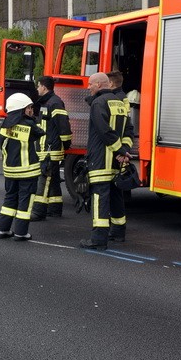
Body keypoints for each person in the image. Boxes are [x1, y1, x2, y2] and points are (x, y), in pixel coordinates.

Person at [80, 72, 131, 250]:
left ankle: (98, 239)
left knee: (99, 197)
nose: (88, 87)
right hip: (116, 162)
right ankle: (118, 232)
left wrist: (118, 149)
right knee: (116, 195)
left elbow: (104, 131)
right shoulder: (120, 103)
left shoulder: (98, 103)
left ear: (100, 85)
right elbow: (128, 131)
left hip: (101, 159)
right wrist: (124, 150)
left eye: (90, 84)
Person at [0, 92, 46, 241]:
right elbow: (41, 132)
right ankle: (21, 232)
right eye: (29, 108)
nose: (31, 110)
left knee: (9, 200)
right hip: (27, 172)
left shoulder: (5, 126)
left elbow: (2, 145)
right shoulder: (29, 125)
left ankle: (2, 230)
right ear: (21, 109)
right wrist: (33, 119)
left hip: (10, 171)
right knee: (25, 201)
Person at [30, 76, 73, 220]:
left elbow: (64, 126)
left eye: (38, 86)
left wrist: (65, 144)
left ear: (44, 87)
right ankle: (55, 209)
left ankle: (38, 211)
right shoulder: (46, 102)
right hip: (46, 149)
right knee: (53, 180)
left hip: (51, 150)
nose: (37, 89)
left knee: (44, 179)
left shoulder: (54, 103)